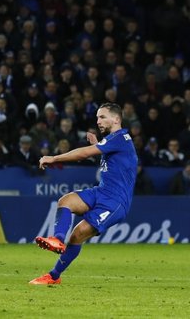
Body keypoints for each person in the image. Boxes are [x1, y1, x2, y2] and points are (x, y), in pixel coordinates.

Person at [30, 103, 137, 285]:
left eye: (102, 117)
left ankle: (54, 275)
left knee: (78, 234)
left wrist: (54, 158)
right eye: (97, 117)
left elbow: (84, 154)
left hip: (115, 202)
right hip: (101, 191)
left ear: (117, 119)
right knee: (66, 201)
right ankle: (57, 239)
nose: (98, 121)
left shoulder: (121, 138)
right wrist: (97, 145)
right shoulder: (113, 141)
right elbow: (112, 163)